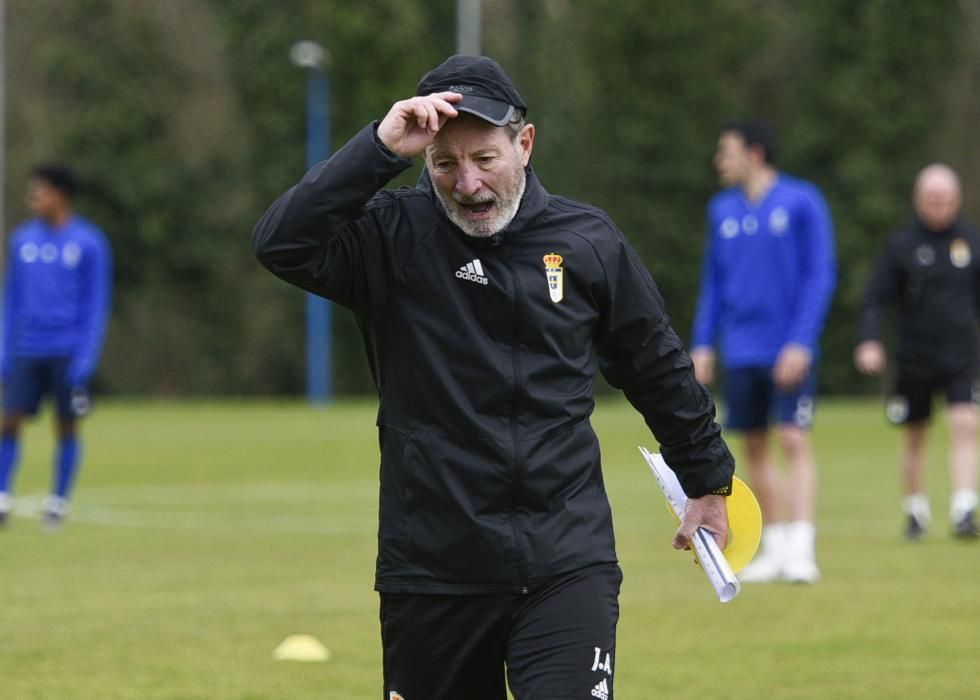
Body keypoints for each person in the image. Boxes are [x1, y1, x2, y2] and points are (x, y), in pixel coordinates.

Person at [253, 55, 735, 700]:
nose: (469, 185)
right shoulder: (391, 237)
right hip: (431, 572)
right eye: (445, 164)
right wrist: (377, 147)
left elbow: (656, 365)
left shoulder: (588, 240)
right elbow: (281, 244)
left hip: (566, 562)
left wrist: (707, 481)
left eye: (485, 159)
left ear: (525, 144)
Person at [690, 120, 837, 584]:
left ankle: (801, 546)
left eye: (726, 151)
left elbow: (820, 274)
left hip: (787, 347)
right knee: (752, 443)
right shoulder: (722, 210)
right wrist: (702, 342)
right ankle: (774, 547)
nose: (720, 161)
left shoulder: (802, 201)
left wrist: (801, 341)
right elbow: (713, 282)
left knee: (793, 438)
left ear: (754, 154)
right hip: (741, 348)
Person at [854, 163, 980, 540]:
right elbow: (876, 299)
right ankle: (915, 510)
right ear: (918, 200)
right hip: (915, 356)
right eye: (931, 198)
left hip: (962, 354)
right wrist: (870, 340)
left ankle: (963, 508)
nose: (938, 205)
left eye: (944, 198)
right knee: (915, 432)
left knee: (965, 424)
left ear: (956, 200)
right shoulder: (902, 246)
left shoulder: (971, 243)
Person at [0, 164, 113, 529]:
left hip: (67, 350)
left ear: (60, 195)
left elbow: (97, 304)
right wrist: (4, 347)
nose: (33, 199)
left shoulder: (89, 243)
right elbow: (11, 299)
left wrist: (85, 358)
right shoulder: (22, 241)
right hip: (26, 349)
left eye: (40, 192)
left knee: (65, 426)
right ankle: (2, 497)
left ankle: (58, 502)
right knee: (9, 422)